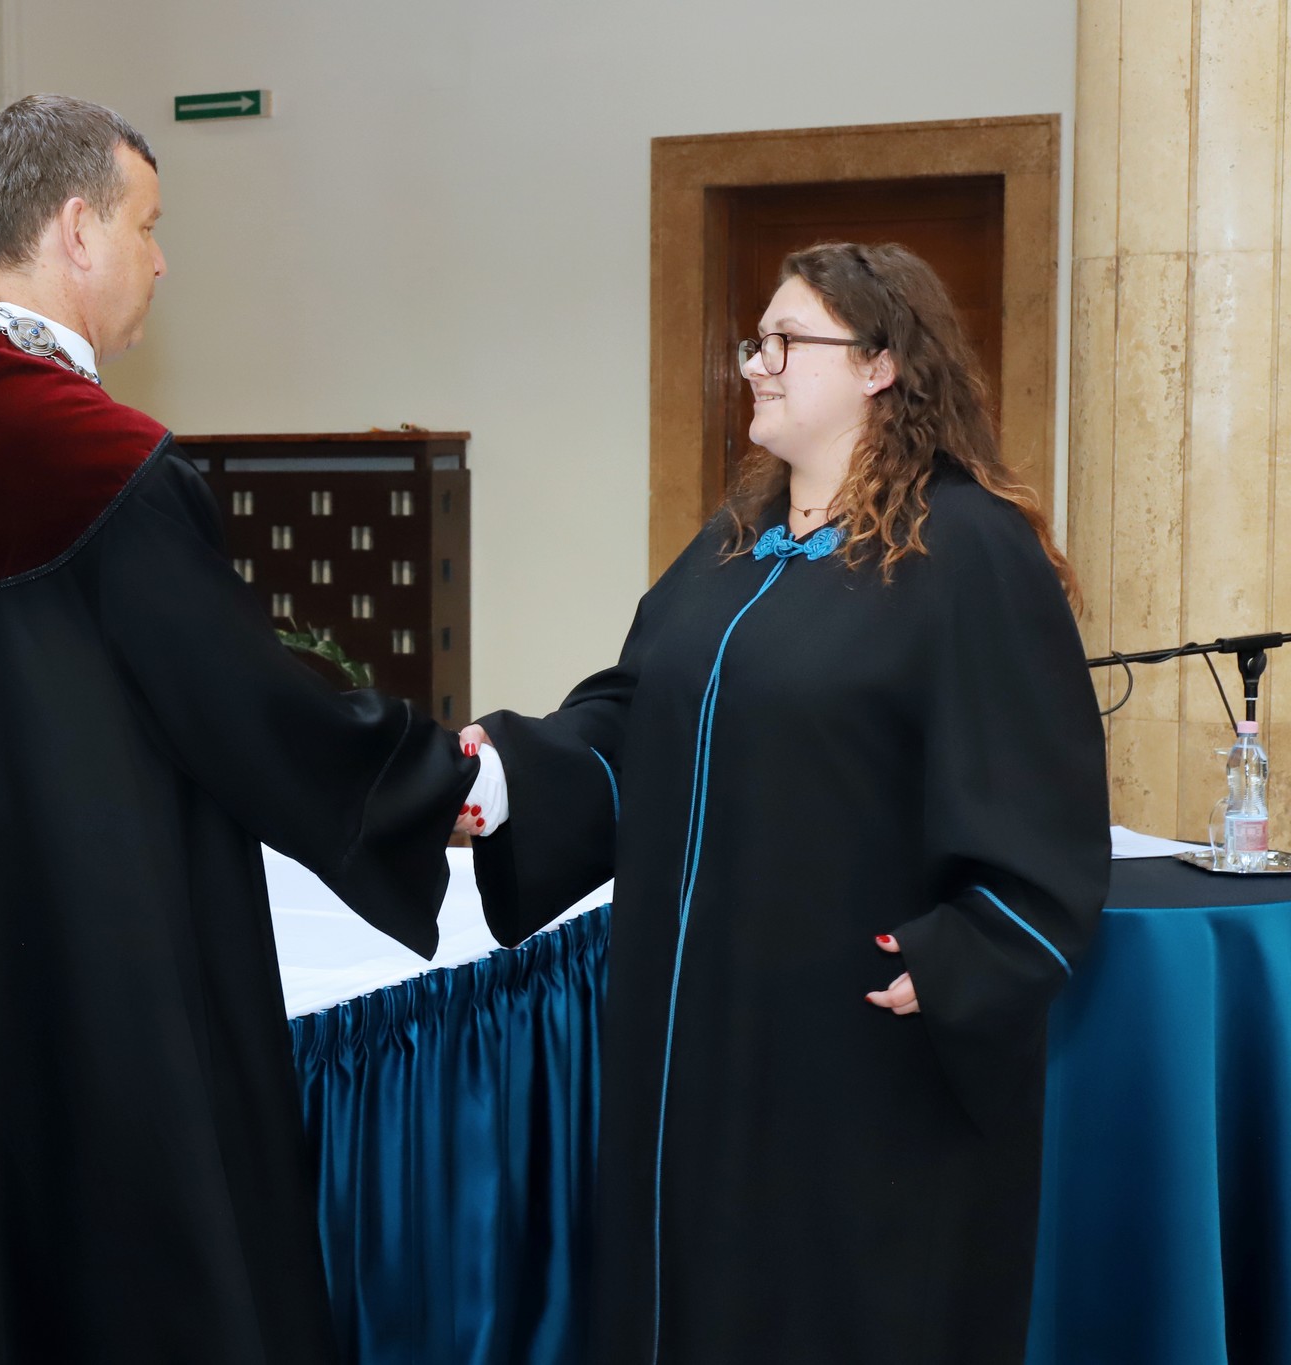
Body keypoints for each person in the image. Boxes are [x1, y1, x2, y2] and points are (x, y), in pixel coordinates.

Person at [0, 94, 495, 1363]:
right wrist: (431, 779)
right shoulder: (96, 457)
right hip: (103, 980)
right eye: (147, 225)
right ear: (77, 230)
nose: (160, 259)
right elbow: (247, 712)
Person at [461, 243, 1109, 1363]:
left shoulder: (968, 548)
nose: (753, 364)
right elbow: (634, 714)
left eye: (784, 341)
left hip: (850, 1042)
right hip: (693, 1029)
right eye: (752, 341)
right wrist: (506, 774)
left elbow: (1043, 791)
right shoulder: (730, 543)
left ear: (879, 365)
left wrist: (966, 956)